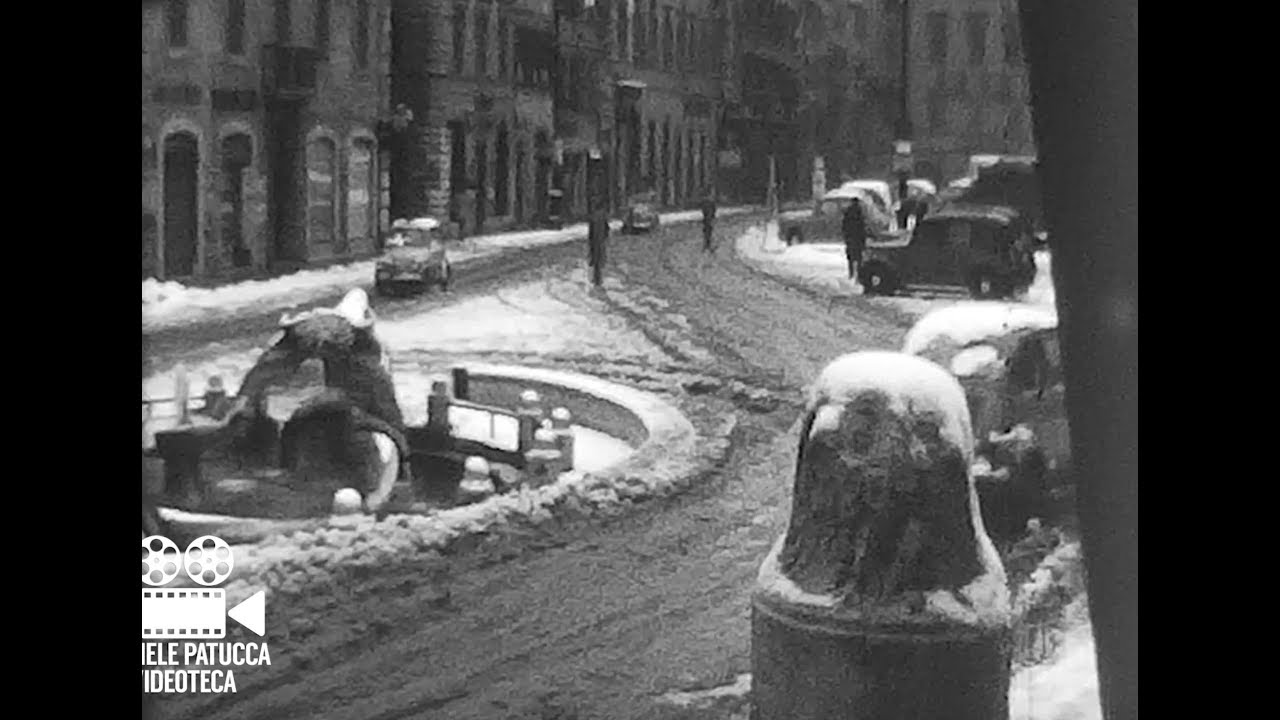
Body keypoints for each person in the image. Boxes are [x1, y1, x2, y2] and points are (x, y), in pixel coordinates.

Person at [841, 197, 868, 281]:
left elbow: (844, 226)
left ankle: (851, 274)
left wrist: (845, 236)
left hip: (850, 238)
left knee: (851, 258)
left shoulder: (847, 212)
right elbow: (863, 226)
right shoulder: (860, 212)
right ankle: (858, 275)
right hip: (858, 238)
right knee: (859, 258)